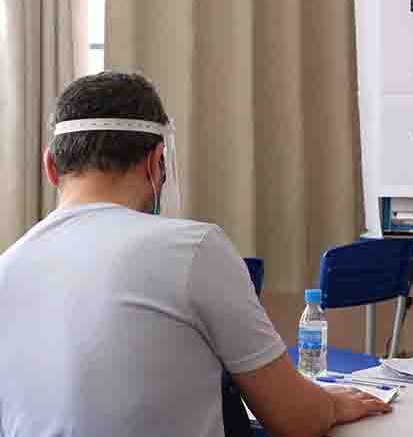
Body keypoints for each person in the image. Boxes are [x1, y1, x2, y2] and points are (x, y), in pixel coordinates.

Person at [0, 72, 391, 437]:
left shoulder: (8, 267)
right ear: (156, 161)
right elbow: (295, 417)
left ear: (51, 166)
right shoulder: (192, 249)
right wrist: (333, 406)